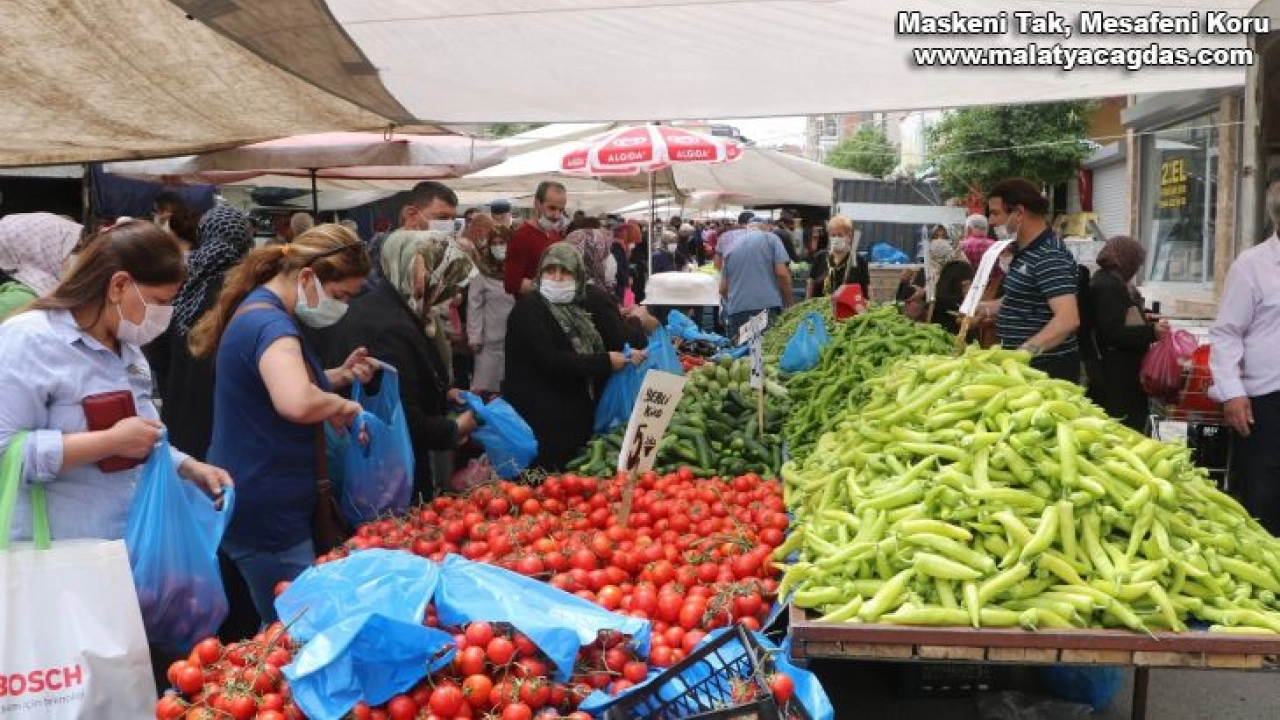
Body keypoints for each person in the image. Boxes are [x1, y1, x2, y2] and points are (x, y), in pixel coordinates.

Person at [0, 220, 231, 544]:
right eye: (159, 301)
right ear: (118, 286)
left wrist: (188, 467)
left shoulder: (129, 348)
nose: (165, 313)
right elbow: (6, 450)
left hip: (125, 543)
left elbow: (143, 436)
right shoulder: (30, 339)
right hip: (57, 549)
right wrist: (109, 442)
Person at [190, 224, 376, 622]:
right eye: (340, 295)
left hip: (262, 496)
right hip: (268, 509)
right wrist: (343, 406)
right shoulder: (271, 326)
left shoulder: (263, 312)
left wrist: (335, 376)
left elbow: (276, 383)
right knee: (296, 626)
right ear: (307, 276)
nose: (343, 306)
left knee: (282, 622)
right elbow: (296, 401)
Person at [318, 230, 479, 502]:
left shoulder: (390, 307)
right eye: (436, 281)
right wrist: (455, 429)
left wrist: (444, 394)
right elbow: (402, 417)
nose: (442, 292)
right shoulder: (391, 326)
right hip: (386, 472)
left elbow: (407, 382)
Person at [503, 244, 635, 471]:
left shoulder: (576, 310)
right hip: (540, 420)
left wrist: (624, 356)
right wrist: (604, 362)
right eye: (550, 270)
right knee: (544, 479)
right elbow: (550, 360)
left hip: (569, 418)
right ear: (540, 273)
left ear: (579, 276)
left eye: (565, 272)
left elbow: (590, 347)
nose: (557, 278)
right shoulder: (529, 310)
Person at [151, 204, 256, 456]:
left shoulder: (183, 282)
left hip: (179, 412)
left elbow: (158, 352)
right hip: (227, 422)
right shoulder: (247, 291)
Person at [1209, 181, 1280, 534]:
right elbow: (1226, 333)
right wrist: (1232, 392)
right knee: (1264, 497)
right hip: (1266, 402)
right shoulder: (1252, 266)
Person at [976, 178, 1081, 381]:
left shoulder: (1049, 255)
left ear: (1019, 212)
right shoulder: (1024, 252)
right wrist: (984, 308)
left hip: (1045, 369)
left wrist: (1025, 352)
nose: (990, 221)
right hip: (1020, 366)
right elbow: (1022, 297)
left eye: (995, 213)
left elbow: (1068, 319)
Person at [1085, 236, 1167, 431]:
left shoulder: (1109, 281)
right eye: (1136, 263)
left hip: (1117, 371)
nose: (1136, 269)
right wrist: (1152, 331)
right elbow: (1112, 332)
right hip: (1116, 376)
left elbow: (1118, 316)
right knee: (1124, 428)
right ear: (1126, 260)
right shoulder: (1108, 286)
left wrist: (1144, 317)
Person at [564, 229, 655, 351]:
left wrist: (614, 314)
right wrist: (637, 319)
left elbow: (601, 324)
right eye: (605, 254)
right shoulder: (593, 294)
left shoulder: (570, 287)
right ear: (592, 257)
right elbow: (620, 341)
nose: (610, 259)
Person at [0, 212, 83, 321]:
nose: (83, 255)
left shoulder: (57, 295)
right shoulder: (18, 300)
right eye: (74, 249)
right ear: (42, 251)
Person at [720, 217, 792, 341]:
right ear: (766, 226)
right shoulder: (771, 239)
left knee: (742, 350)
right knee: (762, 349)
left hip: (736, 311)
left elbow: (722, 289)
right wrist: (789, 302)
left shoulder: (732, 247)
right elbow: (782, 274)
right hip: (764, 309)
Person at [370, 181, 459, 281]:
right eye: (442, 218)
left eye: (453, 219)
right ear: (411, 215)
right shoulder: (386, 253)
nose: (449, 225)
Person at [468, 222, 516, 394]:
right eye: (494, 243)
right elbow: (474, 305)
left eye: (502, 242)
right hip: (488, 343)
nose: (498, 247)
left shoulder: (518, 271)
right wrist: (474, 337)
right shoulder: (482, 272)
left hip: (515, 340)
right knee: (486, 388)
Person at [504, 181, 568, 296]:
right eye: (552, 208)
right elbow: (511, 284)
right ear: (537, 204)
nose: (557, 215)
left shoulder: (555, 235)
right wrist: (548, 286)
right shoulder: (522, 236)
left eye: (561, 210)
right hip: (531, 304)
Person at [806, 215, 869, 300]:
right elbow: (811, 283)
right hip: (820, 307)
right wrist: (806, 303)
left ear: (849, 237)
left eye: (840, 235)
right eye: (833, 235)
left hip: (848, 307)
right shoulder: (820, 257)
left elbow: (866, 290)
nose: (836, 238)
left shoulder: (859, 260)